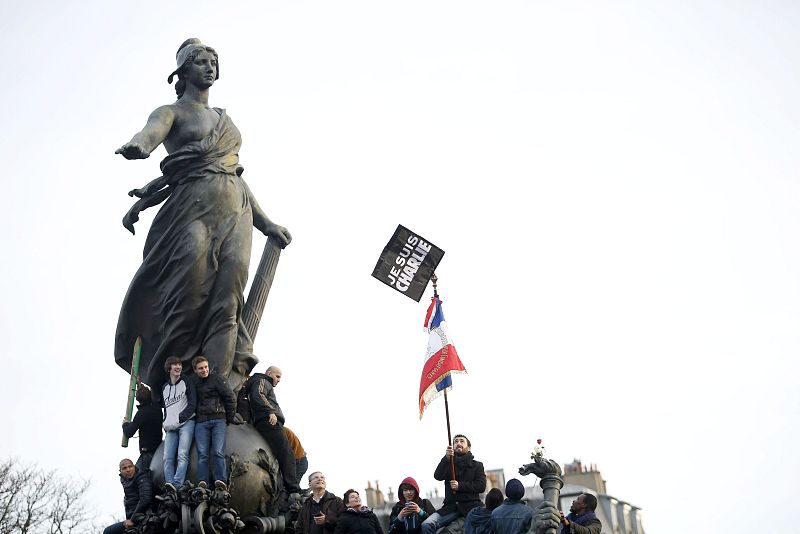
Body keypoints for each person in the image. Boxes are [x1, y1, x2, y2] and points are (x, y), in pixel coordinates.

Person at [114, 37, 292, 397]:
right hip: (190, 211)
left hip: (236, 210)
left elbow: (235, 175)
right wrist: (139, 145)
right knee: (189, 296)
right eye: (200, 62)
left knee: (230, 298)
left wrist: (267, 223)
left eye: (213, 61)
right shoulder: (171, 112)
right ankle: (177, 383)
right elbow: (149, 135)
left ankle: (218, 388)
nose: (209, 67)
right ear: (182, 72)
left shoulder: (224, 119)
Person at [245, 366, 301, 495]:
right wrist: (270, 411)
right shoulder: (263, 381)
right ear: (269, 373)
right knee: (286, 452)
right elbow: (258, 394)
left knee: (282, 453)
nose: (279, 380)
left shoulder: (260, 381)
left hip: (264, 420)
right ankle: (293, 489)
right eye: (277, 376)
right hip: (269, 420)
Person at [421, 434, 486, 534]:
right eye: (455, 442)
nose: (458, 443)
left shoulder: (477, 465)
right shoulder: (448, 463)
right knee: (427, 524)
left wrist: (460, 486)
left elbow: (481, 486)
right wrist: (446, 458)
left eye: (461, 441)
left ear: (469, 447)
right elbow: (437, 476)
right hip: (450, 508)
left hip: (470, 507)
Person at [192, 355, 238, 485]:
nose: (204, 370)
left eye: (206, 367)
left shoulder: (217, 379)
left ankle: (220, 480)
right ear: (195, 370)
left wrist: (228, 417)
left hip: (219, 420)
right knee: (202, 454)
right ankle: (202, 481)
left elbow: (230, 398)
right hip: (201, 422)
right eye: (201, 368)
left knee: (218, 451)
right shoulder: (193, 383)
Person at [161, 355, 196, 488]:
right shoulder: (165, 387)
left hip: (186, 423)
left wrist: (179, 418)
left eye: (180, 364)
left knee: (182, 454)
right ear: (169, 368)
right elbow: (166, 408)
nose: (178, 367)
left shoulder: (187, 381)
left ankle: (177, 483)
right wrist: (166, 422)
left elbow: (192, 403)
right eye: (175, 364)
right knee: (167, 458)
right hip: (171, 428)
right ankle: (170, 485)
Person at [103, 458, 153, 534]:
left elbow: (145, 499)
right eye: (124, 468)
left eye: (130, 466)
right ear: (120, 471)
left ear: (134, 467)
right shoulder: (124, 480)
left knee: (108, 532)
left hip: (143, 516)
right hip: (131, 518)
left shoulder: (141, 477)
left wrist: (132, 520)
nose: (128, 470)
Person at [121, 385, 163, 472]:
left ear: (138, 399)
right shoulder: (157, 408)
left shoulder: (141, 413)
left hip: (147, 453)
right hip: (159, 449)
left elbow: (129, 432)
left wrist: (125, 424)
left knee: (136, 476)